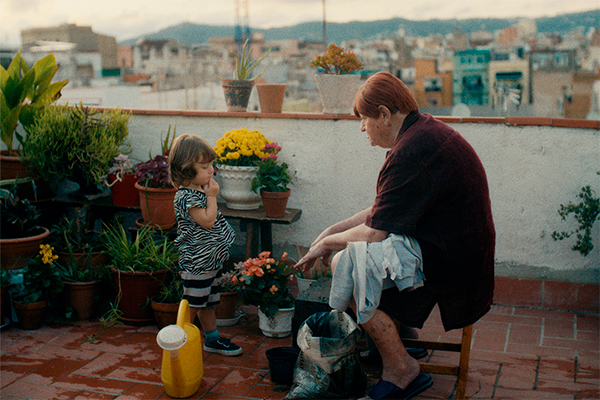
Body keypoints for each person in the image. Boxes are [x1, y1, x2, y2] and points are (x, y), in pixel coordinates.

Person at [296, 71, 495, 400]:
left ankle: (402, 368)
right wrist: (332, 231)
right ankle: (396, 339)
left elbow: (375, 232)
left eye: (364, 119)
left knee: (347, 263)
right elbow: (383, 211)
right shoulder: (420, 133)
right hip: (456, 248)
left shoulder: (412, 151)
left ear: (385, 114)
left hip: (453, 262)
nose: (362, 128)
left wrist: (328, 245)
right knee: (353, 254)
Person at [168, 134, 242, 356]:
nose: (211, 170)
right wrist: (212, 196)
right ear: (186, 170)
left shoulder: (197, 190)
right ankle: (177, 343)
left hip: (210, 260)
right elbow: (208, 221)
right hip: (197, 262)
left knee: (207, 303)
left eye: (211, 165)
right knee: (192, 304)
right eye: (204, 166)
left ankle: (212, 339)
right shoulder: (186, 197)